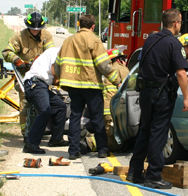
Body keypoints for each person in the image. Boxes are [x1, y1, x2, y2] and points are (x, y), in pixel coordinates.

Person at [127, 8, 188, 189]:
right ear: (176, 22)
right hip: (162, 94)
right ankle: (154, 175)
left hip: (146, 92)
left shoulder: (150, 40)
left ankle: (134, 172)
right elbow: (181, 73)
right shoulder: (174, 44)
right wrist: (186, 98)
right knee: (158, 134)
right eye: (180, 22)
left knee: (145, 131)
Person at [55, 14, 120, 160]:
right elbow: (103, 65)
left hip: (73, 86)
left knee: (75, 117)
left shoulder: (68, 41)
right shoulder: (94, 40)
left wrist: (60, 79)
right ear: (93, 26)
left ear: (79, 25)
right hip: (91, 86)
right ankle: (102, 150)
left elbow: (57, 64)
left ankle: (73, 151)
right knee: (97, 118)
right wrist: (116, 80)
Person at [2, 12, 54, 142]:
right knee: (25, 104)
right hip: (25, 77)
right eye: (33, 29)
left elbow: (51, 52)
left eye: (38, 29)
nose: (35, 32)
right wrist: (16, 59)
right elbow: (6, 52)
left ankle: (39, 130)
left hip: (42, 77)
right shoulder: (20, 37)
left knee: (43, 106)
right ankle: (26, 132)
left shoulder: (46, 36)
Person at [22, 47, 68, 154]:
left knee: (60, 106)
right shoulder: (56, 52)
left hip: (41, 85)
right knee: (45, 110)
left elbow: (55, 80)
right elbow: (54, 71)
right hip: (34, 83)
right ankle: (31, 144)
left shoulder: (59, 55)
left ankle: (56, 139)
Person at [103, 48, 129, 151]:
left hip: (105, 106)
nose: (124, 61)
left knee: (107, 131)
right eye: (122, 59)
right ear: (118, 59)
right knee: (113, 136)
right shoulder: (122, 69)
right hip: (115, 106)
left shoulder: (105, 70)